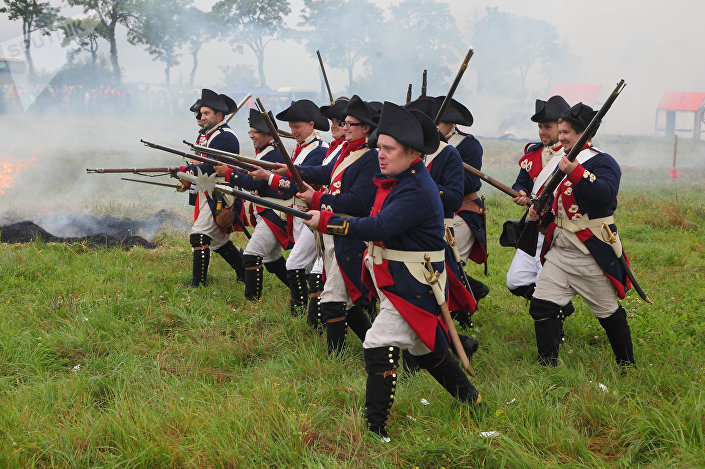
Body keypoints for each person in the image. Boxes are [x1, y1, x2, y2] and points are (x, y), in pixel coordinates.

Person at [302, 102, 481, 439]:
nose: (380, 155)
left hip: (412, 283)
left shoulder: (415, 188)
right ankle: (473, 401)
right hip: (398, 278)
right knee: (426, 351)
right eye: (379, 147)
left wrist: (327, 220)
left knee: (376, 342)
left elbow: (380, 226)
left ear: (412, 152)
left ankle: (375, 429)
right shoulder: (400, 179)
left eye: (388, 149)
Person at [261, 95, 378, 353]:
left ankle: (337, 355)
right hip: (331, 230)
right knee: (340, 302)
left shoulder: (369, 157)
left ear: (366, 128)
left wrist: (317, 198)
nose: (344, 127)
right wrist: (290, 170)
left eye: (350, 124)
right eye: (344, 122)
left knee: (335, 301)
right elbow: (325, 173)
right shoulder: (349, 151)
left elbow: (358, 202)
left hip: (350, 233)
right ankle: (373, 346)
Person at [528, 102, 636, 367]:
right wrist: (539, 213)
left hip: (589, 251)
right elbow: (557, 205)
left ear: (583, 134)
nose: (560, 137)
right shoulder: (562, 161)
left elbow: (605, 196)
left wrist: (576, 172)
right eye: (560, 131)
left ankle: (627, 364)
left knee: (608, 313)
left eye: (566, 132)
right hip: (561, 249)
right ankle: (547, 366)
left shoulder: (602, 162)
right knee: (542, 306)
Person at [214, 109, 291, 300]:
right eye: (250, 132)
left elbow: (256, 182)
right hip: (265, 211)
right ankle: (302, 291)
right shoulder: (264, 153)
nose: (251, 136)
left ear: (267, 133)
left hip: (274, 212)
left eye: (255, 132)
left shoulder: (274, 154)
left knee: (251, 255)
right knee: (272, 260)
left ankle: (252, 301)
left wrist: (229, 173)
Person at [175, 89, 245, 287]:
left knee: (199, 235)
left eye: (206, 113)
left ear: (219, 115)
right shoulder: (207, 136)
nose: (201, 117)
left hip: (220, 192)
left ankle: (198, 283)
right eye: (201, 113)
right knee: (217, 242)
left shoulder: (225, 137)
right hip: (208, 190)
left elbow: (210, 167)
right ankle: (244, 271)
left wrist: (186, 170)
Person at [507, 96, 570, 299]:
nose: (542, 131)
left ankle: (551, 313)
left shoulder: (572, 156)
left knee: (547, 286)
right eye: (540, 127)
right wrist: (522, 193)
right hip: (534, 230)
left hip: (557, 229)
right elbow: (521, 183)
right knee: (515, 281)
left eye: (547, 127)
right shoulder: (533, 154)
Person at [433, 96, 489, 301]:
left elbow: (466, 184)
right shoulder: (426, 145)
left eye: (437, 123)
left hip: (462, 210)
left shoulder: (468, 145)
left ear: (449, 124)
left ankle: (464, 305)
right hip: (435, 210)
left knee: (449, 263)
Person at [305, 97, 350, 329]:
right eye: (333, 121)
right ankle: (317, 327)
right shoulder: (338, 148)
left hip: (344, 222)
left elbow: (326, 175)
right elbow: (326, 174)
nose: (333, 125)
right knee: (324, 280)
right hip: (327, 216)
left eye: (339, 121)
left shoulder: (352, 151)